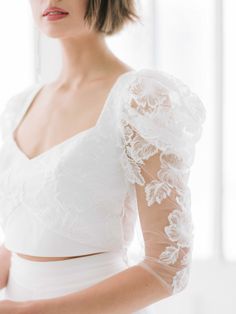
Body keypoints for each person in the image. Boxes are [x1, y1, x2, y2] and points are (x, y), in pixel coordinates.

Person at [0, 0, 206, 313]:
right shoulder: (18, 107)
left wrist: (32, 311)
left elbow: (168, 267)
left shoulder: (140, 98)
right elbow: (26, 236)